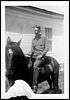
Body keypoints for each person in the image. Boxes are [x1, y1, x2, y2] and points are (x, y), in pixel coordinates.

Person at [28, 25, 49, 93]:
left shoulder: (44, 38)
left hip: (41, 57)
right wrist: (28, 53)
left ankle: (35, 86)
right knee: (28, 66)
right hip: (34, 56)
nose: (35, 32)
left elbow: (47, 48)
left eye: (36, 30)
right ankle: (29, 82)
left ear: (39, 31)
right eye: (34, 30)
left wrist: (41, 55)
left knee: (35, 66)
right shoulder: (33, 40)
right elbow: (32, 50)